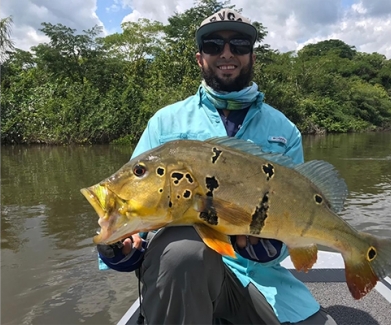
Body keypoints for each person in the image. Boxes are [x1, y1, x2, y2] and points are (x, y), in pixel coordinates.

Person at [96, 8, 337, 325]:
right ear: (199, 58)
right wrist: (120, 250)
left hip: (263, 283)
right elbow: (134, 201)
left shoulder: (285, 130)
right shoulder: (165, 123)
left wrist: (270, 249)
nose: (227, 53)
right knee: (183, 253)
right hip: (184, 279)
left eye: (238, 44)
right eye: (213, 45)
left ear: (252, 57)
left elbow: (295, 225)